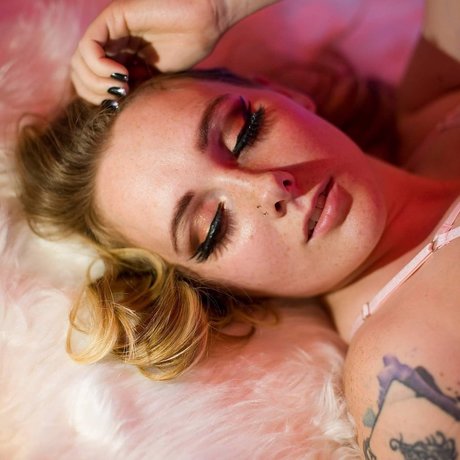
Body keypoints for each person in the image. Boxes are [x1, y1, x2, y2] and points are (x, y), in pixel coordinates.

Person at [16, 0, 460, 457]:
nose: (268, 188)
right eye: (213, 227)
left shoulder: (440, 99)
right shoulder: (405, 373)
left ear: (282, 94)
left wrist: (218, 8)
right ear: (214, 285)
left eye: (243, 134)